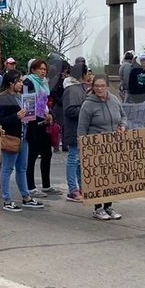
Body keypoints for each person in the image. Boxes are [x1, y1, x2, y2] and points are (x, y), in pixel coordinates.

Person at [0, 70, 46, 212]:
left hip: (24, 136)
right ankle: (7, 199)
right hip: (11, 137)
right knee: (7, 168)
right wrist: (15, 116)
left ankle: (26, 197)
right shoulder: (2, 99)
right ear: (11, 83)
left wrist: (41, 116)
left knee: (22, 168)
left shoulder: (23, 97)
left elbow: (30, 116)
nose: (22, 84)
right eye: (19, 81)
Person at [77, 75, 126, 221]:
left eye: (102, 86)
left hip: (113, 145)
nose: (99, 89)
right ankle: (98, 208)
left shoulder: (115, 100)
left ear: (107, 86)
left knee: (111, 177)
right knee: (98, 178)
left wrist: (123, 126)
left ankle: (108, 206)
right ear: (92, 87)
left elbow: (124, 117)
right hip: (95, 146)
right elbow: (82, 128)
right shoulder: (88, 105)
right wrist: (83, 149)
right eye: (96, 86)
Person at [23, 59, 59, 197]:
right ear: (33, 70)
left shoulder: (44, 83)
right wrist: (39, 116)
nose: (43, 71)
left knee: (47, 153)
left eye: (44, 69)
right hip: (32, 121)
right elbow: (28, 102)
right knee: (31, 155)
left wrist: (48, 114)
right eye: (40, 69)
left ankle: (46, 184)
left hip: (44, 120)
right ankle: (30, 187)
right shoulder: (28, 82)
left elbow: (45, 101)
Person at [61, 68, 90, 202]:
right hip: (74, 130)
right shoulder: (72, 90)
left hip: (82, 130)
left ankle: (82, 187)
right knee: (73, 159)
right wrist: (87, 110)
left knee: (80, 161)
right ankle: (73, 189)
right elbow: (69, 110)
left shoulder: (82, 89)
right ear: (83, 75)